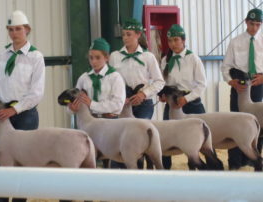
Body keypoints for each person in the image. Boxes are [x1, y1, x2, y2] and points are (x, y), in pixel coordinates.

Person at [0, 10, 45, 202]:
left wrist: (15, 109)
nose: (14, 33)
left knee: (22, 161)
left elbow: (37, 92)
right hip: (0, 115)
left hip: (25, 114)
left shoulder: (36, 57)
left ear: (27, 30)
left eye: (18, 29)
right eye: (11, 29)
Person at [109, 18, 165, 169]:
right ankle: (118, 174)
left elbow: (159, 81)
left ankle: (144, 174)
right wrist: (119, 97)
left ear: (138, 34)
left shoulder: (148, 57)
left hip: (143, 104)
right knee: (119, 138)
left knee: (139, 137)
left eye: (128, 34)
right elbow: (110, 80)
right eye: (123, 35)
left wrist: (143, 94)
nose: (125, 38)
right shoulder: (114, 56)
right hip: (122, 105)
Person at [68, 38, 126, 168]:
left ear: (107, 57)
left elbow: (117, 104)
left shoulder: (115, 77)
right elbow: (74, 100)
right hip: (89, 125)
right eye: (91, 58)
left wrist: (92, 104)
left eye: (97, 58)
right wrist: (72, 108)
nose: (93, 61)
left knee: (113, 160)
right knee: (88, 159)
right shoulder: (84, 78)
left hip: (110, 124)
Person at [159, 24, 207, 169]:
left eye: (176, 40)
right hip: (172, 103)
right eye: (170, 41)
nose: (173, 44)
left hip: (192, 102)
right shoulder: (165, 60)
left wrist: (187, 98)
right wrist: (162, 96)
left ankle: (206, 168)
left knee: (201, 137)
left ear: (183, 40)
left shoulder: (193, 59)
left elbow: (202, 84)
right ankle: (164, 171)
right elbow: (163, 83)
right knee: (165, 137)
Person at [221, 8, 263, 170]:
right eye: (251, 24)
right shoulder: (235, 42)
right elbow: (225, 67)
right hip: (240, 86)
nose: (254, 28)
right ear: (246, 22)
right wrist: (231, 82)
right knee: (236, 123)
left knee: (257, 125)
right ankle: (235, 163)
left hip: (258, 84)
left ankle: (254, 161)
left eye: (258, 25)